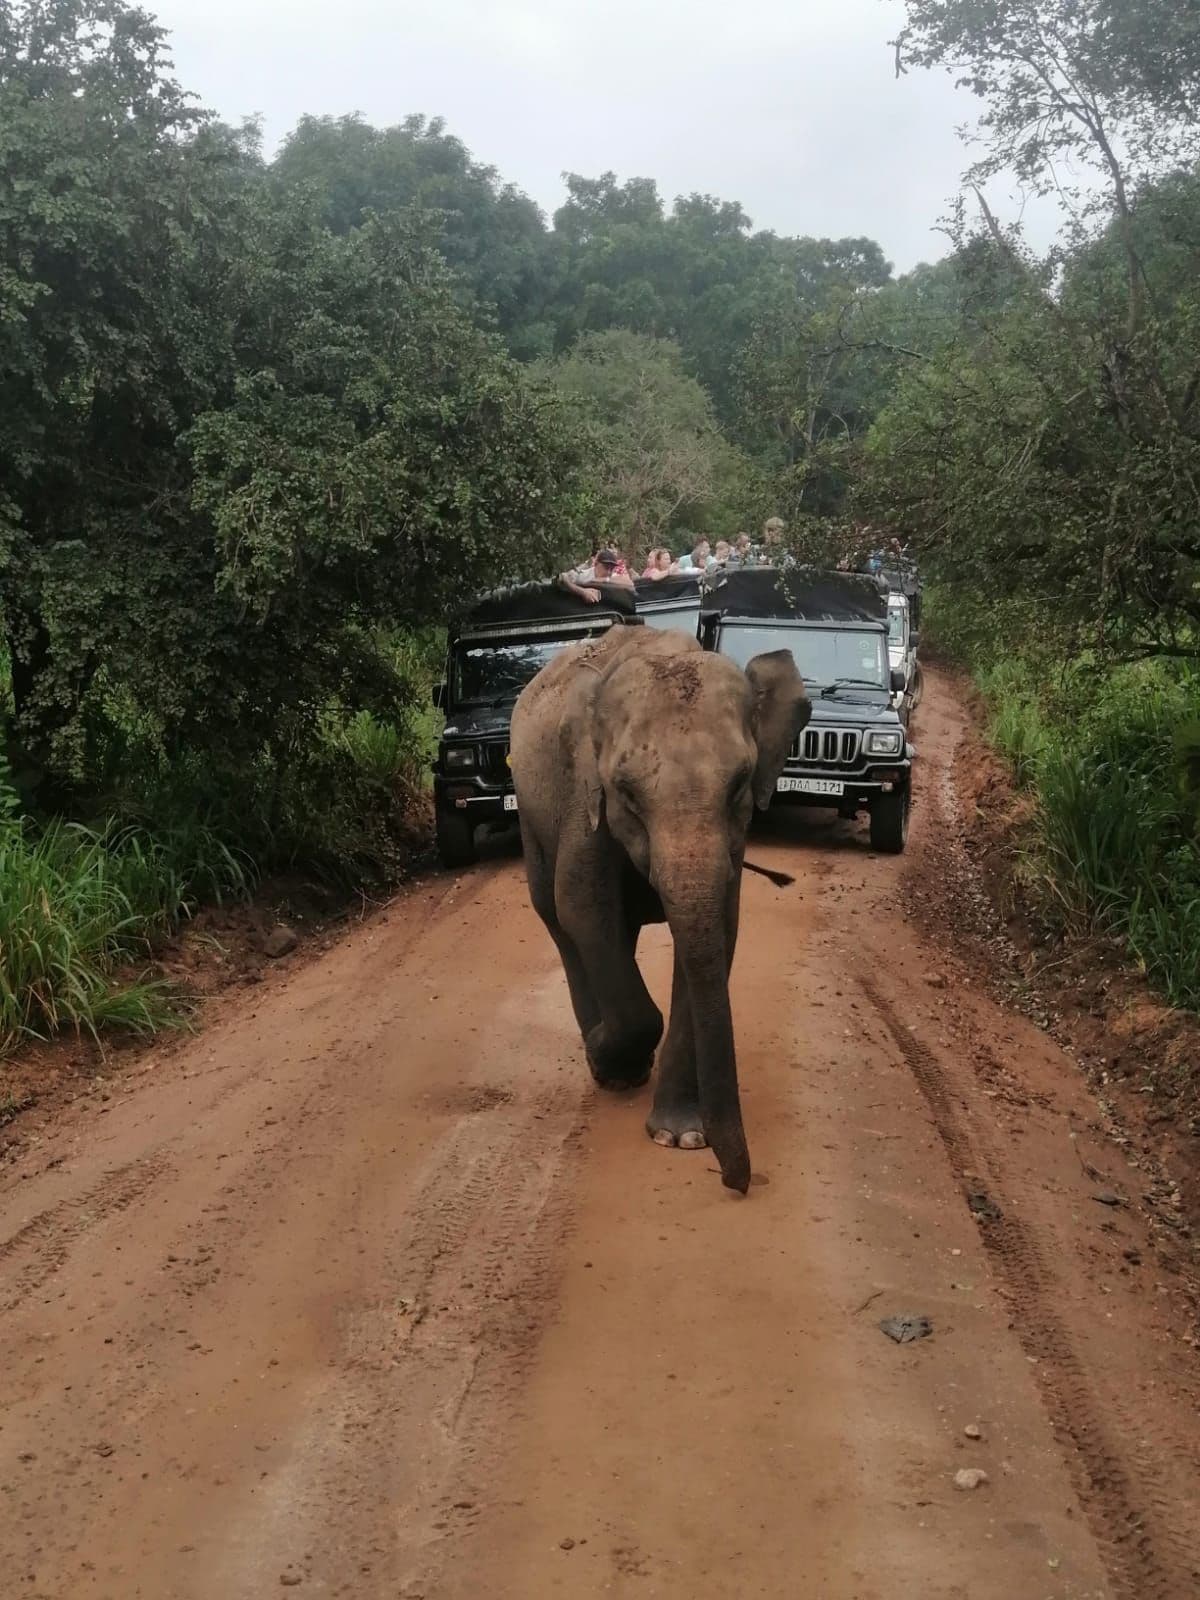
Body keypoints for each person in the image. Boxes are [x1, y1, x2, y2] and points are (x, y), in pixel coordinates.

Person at [561, 548, 635, 604]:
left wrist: (604, 580)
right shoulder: (583, 575)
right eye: (606, 567)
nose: (609, 572)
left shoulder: (611, 577)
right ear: (596, 564)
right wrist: (582, 592)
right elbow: (562, 577)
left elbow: (630, 585)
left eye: (611, 569)